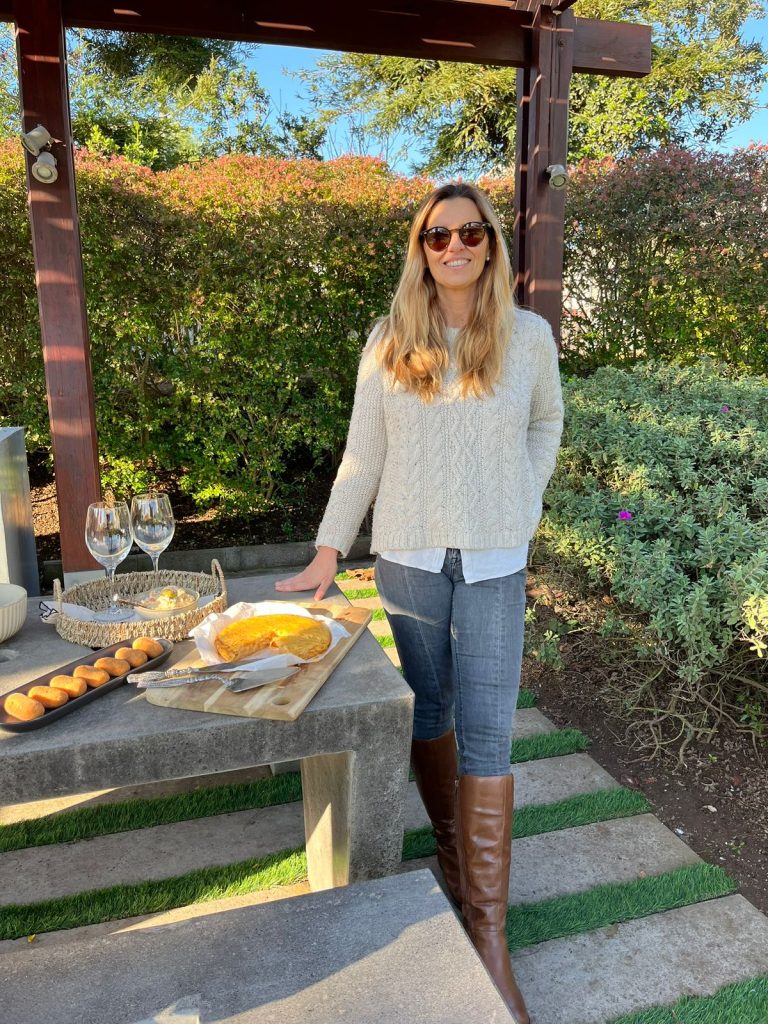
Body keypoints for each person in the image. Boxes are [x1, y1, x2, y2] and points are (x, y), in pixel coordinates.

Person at [276, 182, 563, 1023]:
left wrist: (525, 498)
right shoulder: (389, 338)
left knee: (490, 732)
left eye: (471, 232)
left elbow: (545, 425)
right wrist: (329, 548)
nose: (455, 247)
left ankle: (488, 936)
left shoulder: (529, 336)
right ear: (421, 248)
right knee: (430, 711)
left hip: (496, 560)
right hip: (406, 559)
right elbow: (362, 455)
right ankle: (452, 860)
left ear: (491, 244)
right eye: (439, 236)